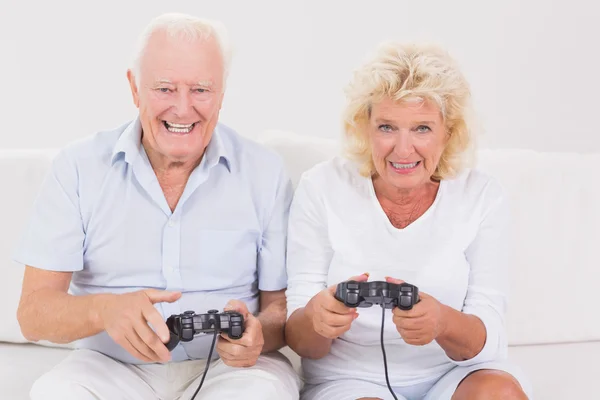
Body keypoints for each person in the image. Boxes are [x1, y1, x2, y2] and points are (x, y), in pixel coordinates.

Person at [14, 12, 300, 400]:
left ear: (222, 92)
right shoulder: (78, 167)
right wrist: (104, 310)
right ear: (134, 88)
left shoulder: (264, 171)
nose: (183, 109)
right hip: (111, 368)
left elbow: (281, 309)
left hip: (231, 370)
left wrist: (257, 333)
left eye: (201, 89)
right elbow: (33, 314)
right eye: (165, 89)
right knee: (55, 393)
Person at [284, 42, 533, 400]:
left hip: (452, 375)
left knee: (499, 394)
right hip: (349, 381)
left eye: (422, 128)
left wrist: (442, 323)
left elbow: (488, 335)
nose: (403, 150)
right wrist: (317, 320)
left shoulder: (482, 196)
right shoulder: (321, 187)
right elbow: (300, 338)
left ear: (449, 131)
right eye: (387, 127)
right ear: (364, 126)